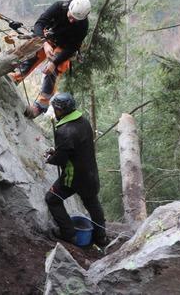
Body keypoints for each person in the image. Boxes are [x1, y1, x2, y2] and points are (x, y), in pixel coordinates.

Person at [10, 0, 91, 118]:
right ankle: (13, 78)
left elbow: (72, 47)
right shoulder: (59, 7)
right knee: (33, 56)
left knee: (54, 69)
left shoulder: (82, 25)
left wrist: (55, 62)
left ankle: (40, 106)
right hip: (47, 39)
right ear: (69, 8)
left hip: (64, 47)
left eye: (75, 19)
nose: (71, 21)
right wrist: (44, 43)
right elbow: (39, 24)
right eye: (70, 17)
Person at [44, 92, 107, 247]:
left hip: (74, 177)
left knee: (52, 199)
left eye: (56, 109)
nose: (55, 111)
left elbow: (61, 159)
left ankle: (69, 234)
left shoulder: (64, 131)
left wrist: (51, 158)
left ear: (63, 110)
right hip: (91, 174)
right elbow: (74, 147)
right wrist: (59, 151)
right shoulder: (83, 122)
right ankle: (101, 238)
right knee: (92, 203)